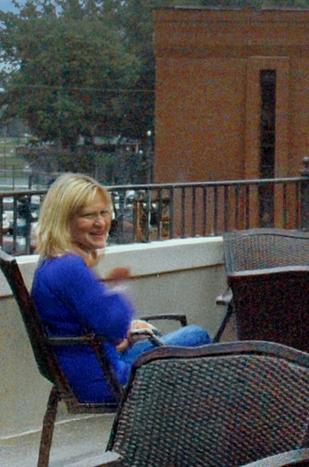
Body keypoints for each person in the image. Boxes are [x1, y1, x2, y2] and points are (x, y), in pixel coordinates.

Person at [29, 172, 211, 404]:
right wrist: (119, 290)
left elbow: (104, 333)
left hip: (90, 372)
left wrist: (129, 333)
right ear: (64, 220)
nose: (101, 222)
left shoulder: (50, 263)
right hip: (107, 380)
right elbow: (114, 328)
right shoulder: (70, 268)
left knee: (168, 341)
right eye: (88, 215)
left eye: (104, 213)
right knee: (197, 336)